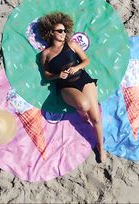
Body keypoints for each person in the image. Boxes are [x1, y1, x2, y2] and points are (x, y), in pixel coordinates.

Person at [38, 12, 106, 162]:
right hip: (66, 85)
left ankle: (101, 148)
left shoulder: (71, 44)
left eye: (64, 30)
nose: (63, 33)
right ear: (51, 32)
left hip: (83, 79)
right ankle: (82, 114)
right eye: (60, 31)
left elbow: (86, 60)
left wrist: (76, 68)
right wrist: (57, 76)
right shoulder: (45, 54)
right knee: (83, 105)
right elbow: (46, 75)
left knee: (96, 118)